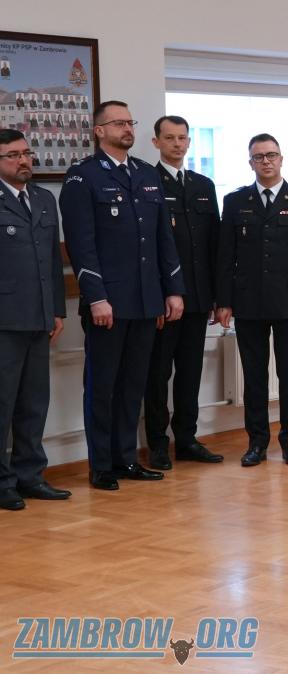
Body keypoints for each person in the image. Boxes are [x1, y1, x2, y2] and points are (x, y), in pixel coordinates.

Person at [59, 101, 185, 490]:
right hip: (108, 302)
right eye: (118, 123)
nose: (127, 129)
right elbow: (81, 244)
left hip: (146, 299)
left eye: (130, 122)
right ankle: (102, 465)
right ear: (99, 131)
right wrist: (96, 296)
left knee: (134, 384)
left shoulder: (146, 174)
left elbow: (163, 239)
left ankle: (127, 458)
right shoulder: (83, 177)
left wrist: (173, 290)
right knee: (103, 385)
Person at [215, 134, 288, 468]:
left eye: (271, 155)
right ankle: (257, 443)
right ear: (250, 162)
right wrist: (224, 301)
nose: (266, 161)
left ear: (281, 159)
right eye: (259, 157)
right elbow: (225, 256)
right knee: (254, 377)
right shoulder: (235, 201)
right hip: (248, 302)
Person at [143, 115, 223, 469]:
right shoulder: (147, 182)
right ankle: (158, 444)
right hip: (165, 299)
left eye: (182, 138)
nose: (177, 144)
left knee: (190, 373)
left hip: (198, 297)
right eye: (169, 138)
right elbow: (147, 246)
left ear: (189, 142)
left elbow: (214, 244)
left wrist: (216, 296)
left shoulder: (203, 185)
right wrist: (158, 294)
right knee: (158, 374)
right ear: (156, 142)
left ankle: (187, 439)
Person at [0, 129, 70, 509]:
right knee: (2, 404)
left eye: (26, 153)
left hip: (39, 316)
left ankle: (30, 476)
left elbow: (52, 262)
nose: (23, 160)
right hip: (5, 321)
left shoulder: (44, 199)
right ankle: (2, 483)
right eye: (13, 155)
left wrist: (57, 309)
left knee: (34, 402)